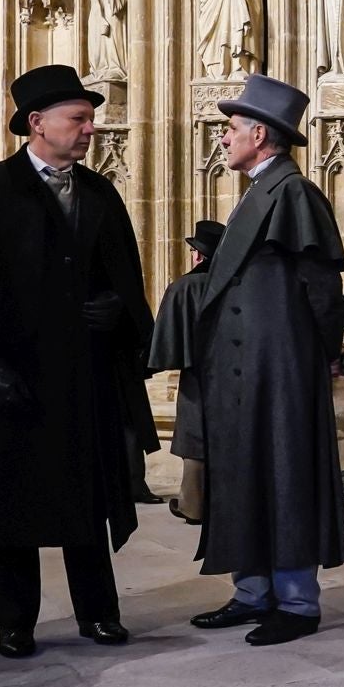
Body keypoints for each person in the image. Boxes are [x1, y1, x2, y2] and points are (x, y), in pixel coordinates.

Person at [0, 65, 154, 659]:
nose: (89, 130)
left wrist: (117, 309)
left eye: (90, 119)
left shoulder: (100, 192)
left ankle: (98, 614)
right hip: (14, 379)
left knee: (87, 503)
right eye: (78, 119)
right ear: (37, 123)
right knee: (14, 506)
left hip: (81, 377)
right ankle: (15, 622)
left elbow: (126, 276)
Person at [187, 74, 344, 646]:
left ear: (261, 134)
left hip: (279, 371)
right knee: (247, 473)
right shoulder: (259, 193)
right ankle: (254, 592)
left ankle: (298, 603)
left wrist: (324, 356)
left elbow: (322, 289)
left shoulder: (293, 193)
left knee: (284, 475)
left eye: (231, 129)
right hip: (245, 371)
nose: (224, 139)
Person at [149, 220, 224, 524]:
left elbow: (165, 344)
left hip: (197, 377)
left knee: (195, 438)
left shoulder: (185, 287)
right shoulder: (238, 284)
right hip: (236, 375)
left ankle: (194, 506)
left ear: (200, 255)